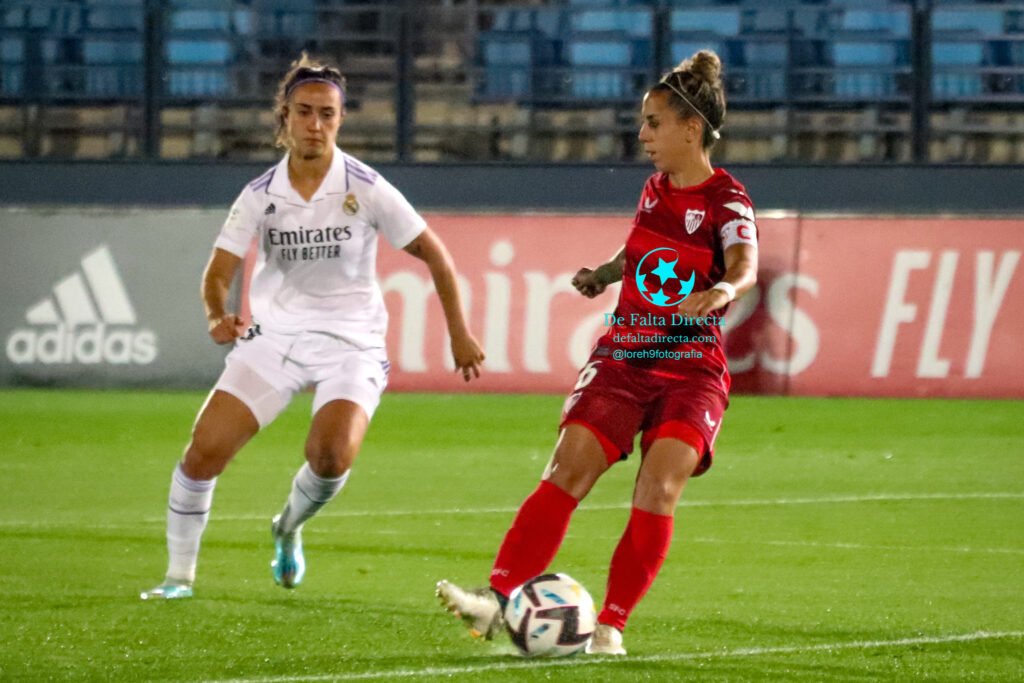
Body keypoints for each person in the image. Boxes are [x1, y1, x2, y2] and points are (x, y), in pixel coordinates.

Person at [436, 50, 758, 655]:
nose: (642, 136)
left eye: (654, 124)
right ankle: (497, 600)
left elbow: (745, 267)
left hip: (690, 372)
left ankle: (610, 626)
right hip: (625, 357)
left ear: (691, 129)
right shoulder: (654, 189)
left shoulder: (728, 201)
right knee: (568, 468)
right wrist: (608, 273)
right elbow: (640, 248)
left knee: (659, 486)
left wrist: (719, 290)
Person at [141, 54, 484, 600]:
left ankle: (288, 527)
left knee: (330, 456)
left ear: (341, 119)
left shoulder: (365, 186)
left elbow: (436, 254)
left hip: (352, 343)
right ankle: (178, 578)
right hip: (274, 341)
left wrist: (459, 333)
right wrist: (215, 314)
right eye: (305, 112)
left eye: (328, 113)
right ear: (285, 116)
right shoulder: (259, 195)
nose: (316, 124)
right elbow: (219, 271)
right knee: (204, 450)